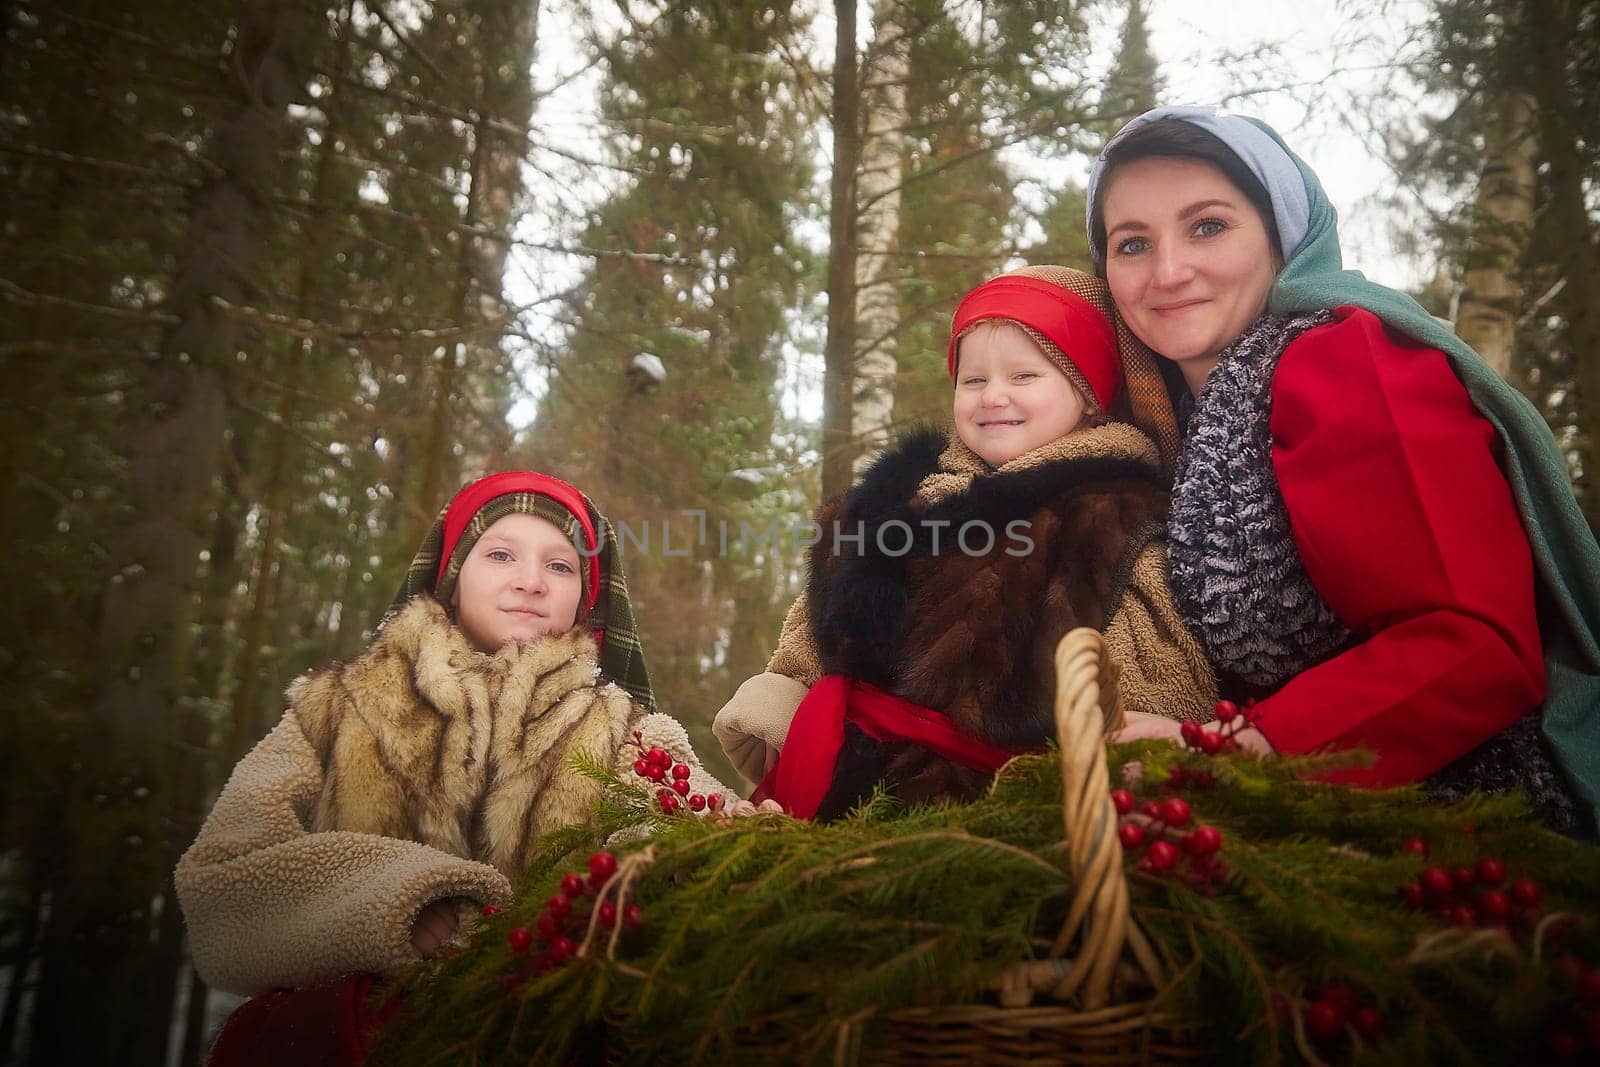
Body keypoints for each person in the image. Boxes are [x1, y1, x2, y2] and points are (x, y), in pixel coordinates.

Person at [1085, 106, 1600, 836]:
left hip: (1460, 814)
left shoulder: (1346, 360)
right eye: (1132, 243)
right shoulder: (1170, 428)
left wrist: (1244, 750)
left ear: (1282, 235)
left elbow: (1475, 642)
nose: (1169, 271)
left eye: (1208, 226)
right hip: (1285, 816)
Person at [176, 471, 727, 1062]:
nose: (531, 582)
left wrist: (738, 834)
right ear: (452, 577)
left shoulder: (625, 734)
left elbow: (693, 843)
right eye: (500, 554)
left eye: (561, 566)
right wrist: (390, 899)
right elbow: (222, 881)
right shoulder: (337, 710)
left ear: (586, 601)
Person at [714, 266, 1216, 821]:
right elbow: (821, 621)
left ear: (1089, 395)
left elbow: (1151, 663)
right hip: (841, 779)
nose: (992, 396)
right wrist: (783, 694)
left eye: (1024, 376)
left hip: (997, 806)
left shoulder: (1112, 520)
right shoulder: (898, 496)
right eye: (973, 380)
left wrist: (1132, 747)